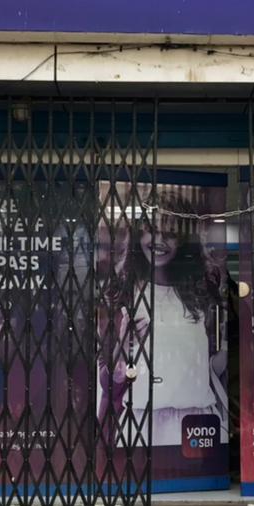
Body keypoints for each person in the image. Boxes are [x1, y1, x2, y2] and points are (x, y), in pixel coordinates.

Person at [97, 189, 228, 448]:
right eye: (151, 230)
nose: (158, 241)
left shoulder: (202, 292)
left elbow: (212, 367)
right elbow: (107, 382)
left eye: (171, 234)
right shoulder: (122, 293)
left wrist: (226, 346)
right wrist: (123, 343)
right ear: (139, 233)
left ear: (184, 241)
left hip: (198, 423)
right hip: (140, 424)